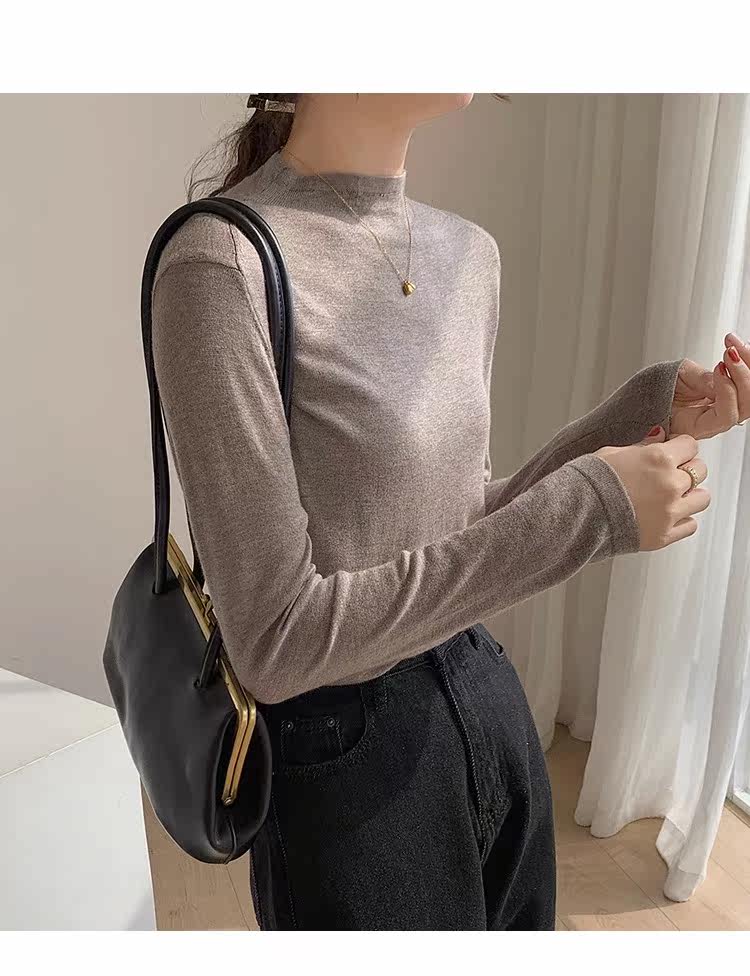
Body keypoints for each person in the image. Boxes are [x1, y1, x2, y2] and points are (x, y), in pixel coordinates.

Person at [151, 93, 748, 930]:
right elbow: (276, 642)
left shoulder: (467, 254)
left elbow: (462, 527)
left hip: (484, 699)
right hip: (346, 772)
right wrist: (590, 510)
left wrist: (642, 414)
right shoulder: (219, 265)